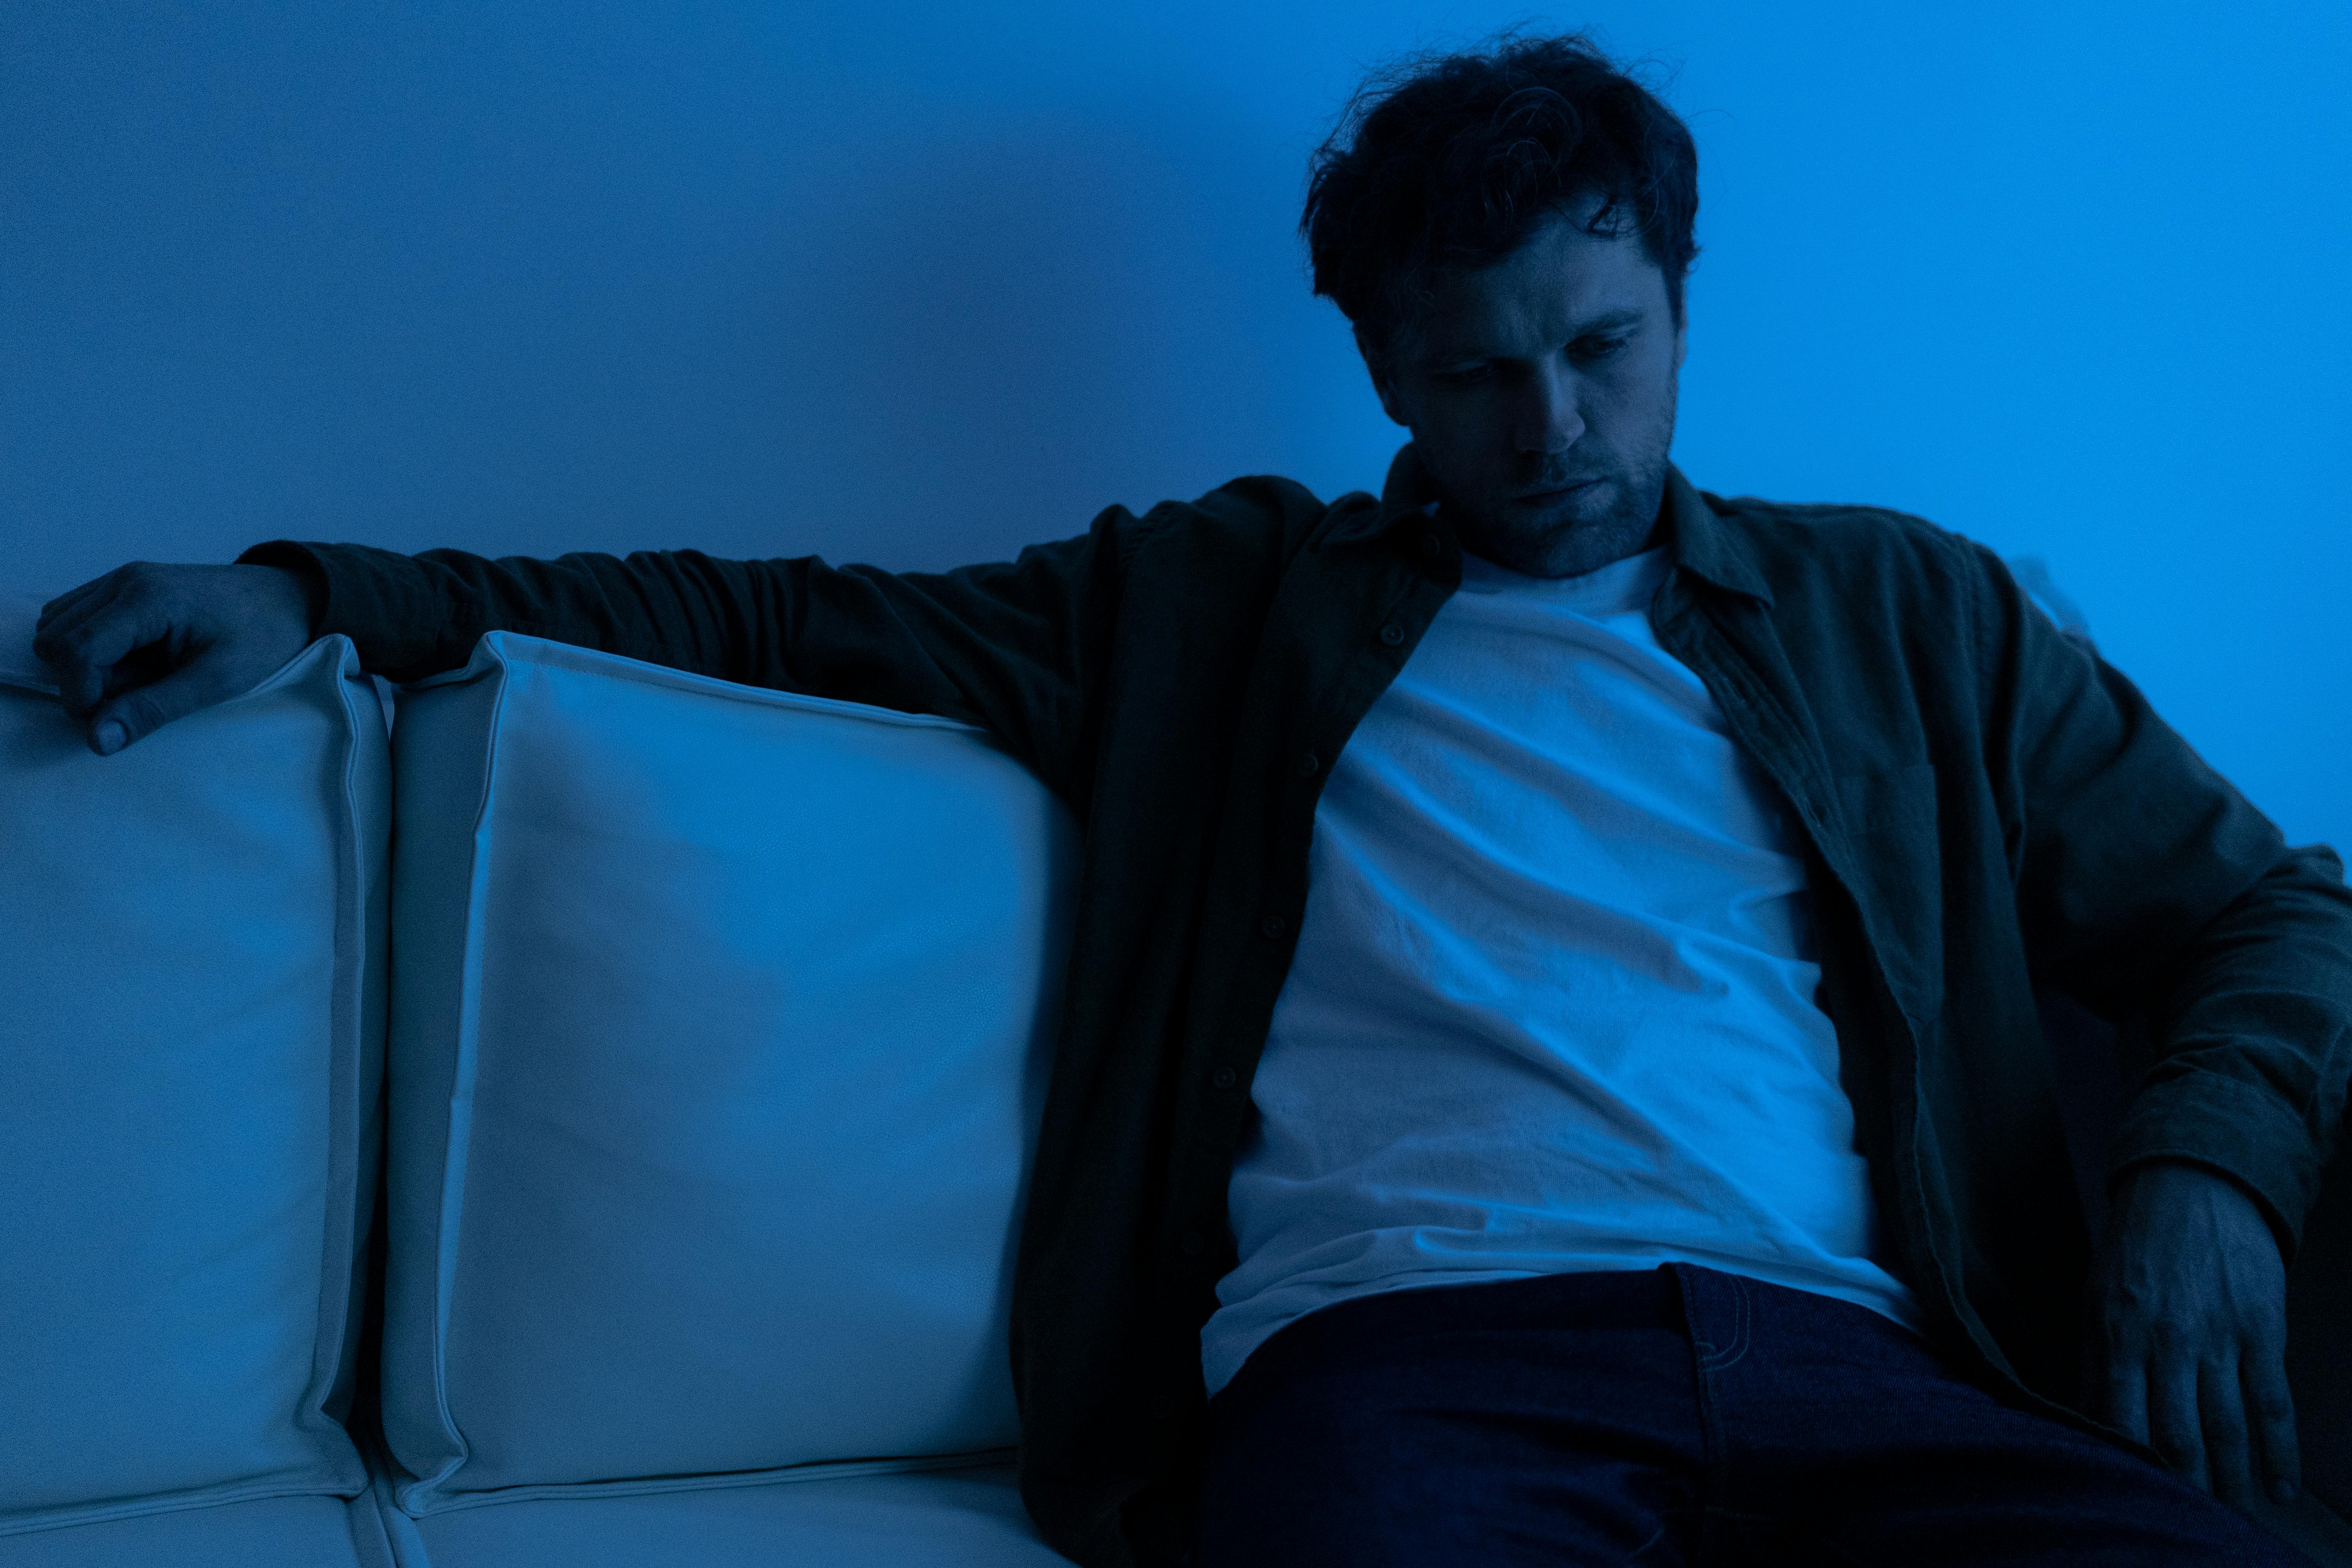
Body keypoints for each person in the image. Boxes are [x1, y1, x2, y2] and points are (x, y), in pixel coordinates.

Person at [30, 27, 2351, 1568]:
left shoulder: (1907, 616)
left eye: (1600, 347)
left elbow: (2279, 910)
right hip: (1420, 1371)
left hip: (1862, 1369)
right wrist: (319, 592)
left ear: (1680, 298)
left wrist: (2208, 1174)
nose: (1552, 428)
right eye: (1477, 373)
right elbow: (771, 612)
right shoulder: (1222, 606)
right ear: (1384, 373)